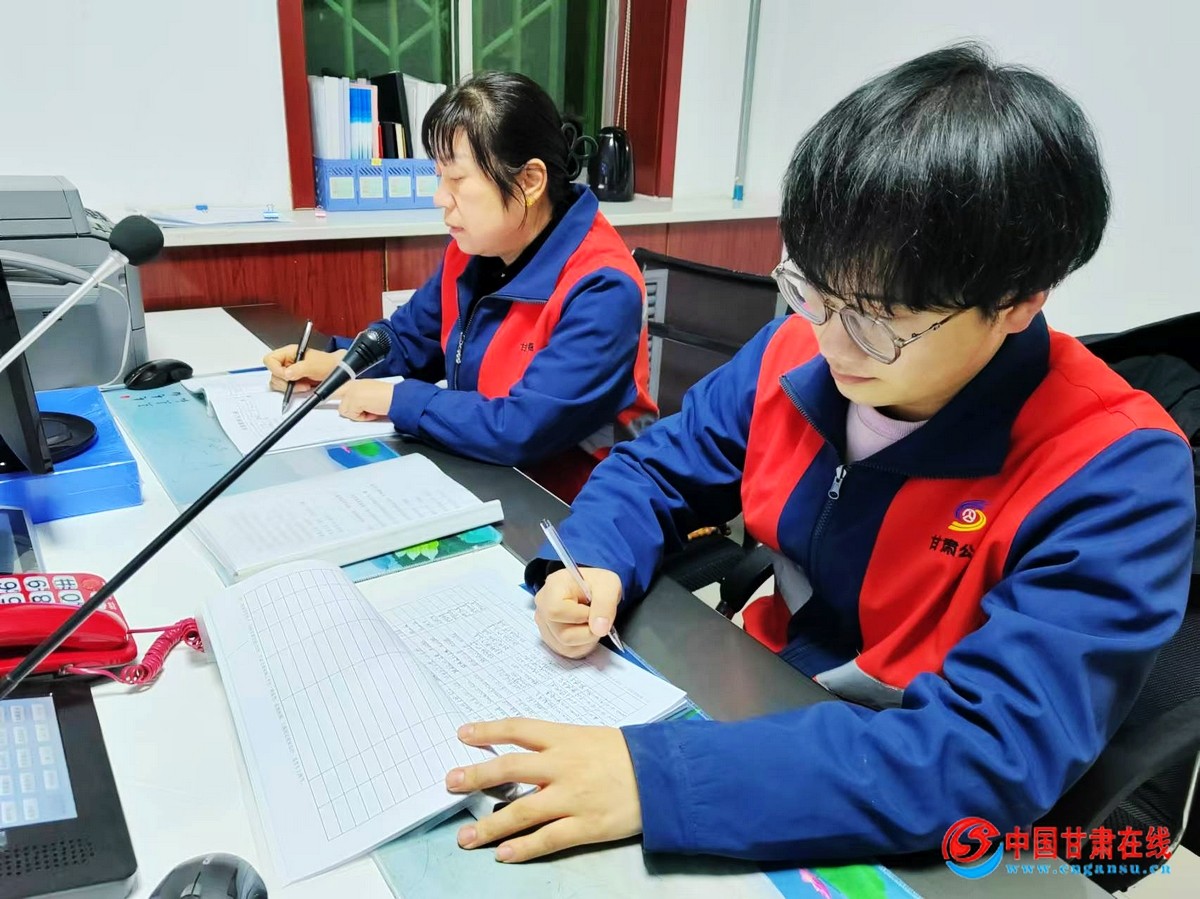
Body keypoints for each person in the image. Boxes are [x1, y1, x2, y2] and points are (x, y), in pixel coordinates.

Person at [435, 45, 1197, 864]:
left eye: (877, 317)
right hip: (753, 696)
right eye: (812, 288)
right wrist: (590, 564)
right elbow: (656, 466)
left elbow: (986, 752)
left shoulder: (1117, 473)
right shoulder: (798, 349)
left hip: (891, 783)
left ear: (1017, 301)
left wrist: (658, 779)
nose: (831, 339)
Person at [264, 72, 657, 501]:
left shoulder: (602, 287)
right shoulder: (475, 250)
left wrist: (397, 401)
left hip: (574, 502)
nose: (440, 198)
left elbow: (522, 428)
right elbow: (411, 338)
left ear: (529, 181)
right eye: (439, 177)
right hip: (485, 473)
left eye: (456, 179)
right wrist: (338, 364)